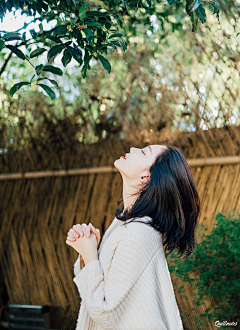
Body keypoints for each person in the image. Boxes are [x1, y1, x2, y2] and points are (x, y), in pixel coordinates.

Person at [66, 144, 200, 330]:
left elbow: (106, 313)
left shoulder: (139, 233)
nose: (133, 148)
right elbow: (108, 293)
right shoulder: (125, 224)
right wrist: (90, 253)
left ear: (146, 176)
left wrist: (89, 255)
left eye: (144, 152)